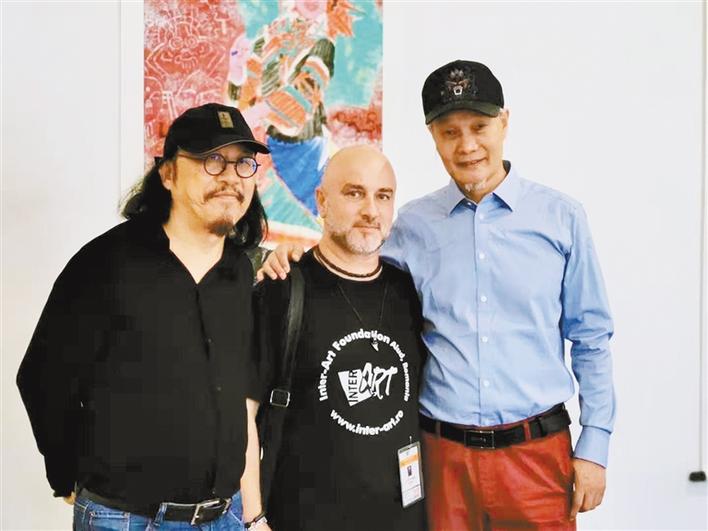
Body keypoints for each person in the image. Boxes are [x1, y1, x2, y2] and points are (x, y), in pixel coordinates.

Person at [260, 60, 615, 530]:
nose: (467, 146)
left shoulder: (562, 219)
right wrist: (284, 255)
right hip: (443, 458)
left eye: (479, 127)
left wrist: (595, 444)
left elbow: (591, 338)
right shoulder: (411, 226)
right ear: (433, 136)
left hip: (537, 455)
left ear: (504, 123)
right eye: (449, 132)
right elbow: (351, 252)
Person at [17, 103, 271, 530]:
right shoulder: (106, 263)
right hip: (126, 519)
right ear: (167, 174)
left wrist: (251, 514)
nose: (230, 176)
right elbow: (43, 376)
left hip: (223, 517)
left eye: (243, 162)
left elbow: (240, 400)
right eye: (211, 159)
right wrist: (64, 473)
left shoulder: (242, 273)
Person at [247, 145, 428, 531]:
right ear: (322, 201)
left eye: (383, 196)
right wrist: (253, 518)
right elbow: (242, 413)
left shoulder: (409, 292)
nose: (371, 210)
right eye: (354, 193)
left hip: (403, 520)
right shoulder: (282, 288)